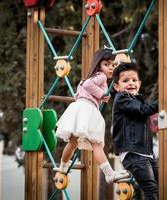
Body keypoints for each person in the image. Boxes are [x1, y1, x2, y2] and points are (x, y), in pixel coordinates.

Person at [55, 48, 130, 184]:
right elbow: (89, 85)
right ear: (98, 65)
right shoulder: (100, 76)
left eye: (113, 65)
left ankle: (63, 167)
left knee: (72, 143)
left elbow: (80, 92)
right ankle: (109, 174)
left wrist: (101, 97)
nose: (110, 68)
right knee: (97, 144)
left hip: (79, 107)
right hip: (87, 110)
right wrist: (101, 94)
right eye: (106, 64)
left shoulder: (90, 77)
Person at [112, 62, 159, 199]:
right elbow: (143, 111)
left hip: (146, 153)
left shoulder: (136, 99)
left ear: (139, 83)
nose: (131, 83)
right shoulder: (122, 98)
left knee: (162, 186)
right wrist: (163, 100)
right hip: (133, 153)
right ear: (117, 87)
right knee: (152, 190)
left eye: (134, 80)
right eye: (125, 81)